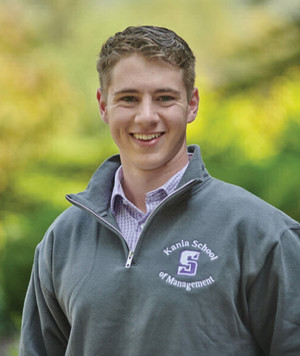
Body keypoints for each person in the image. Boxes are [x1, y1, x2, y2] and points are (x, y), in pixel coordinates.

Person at [19, 26, 300, 356]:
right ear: (103, 105)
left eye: (165, 98)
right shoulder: (62, 241)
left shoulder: (263, 234)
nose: (146, 116)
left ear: (192, 104)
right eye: (129, 98)